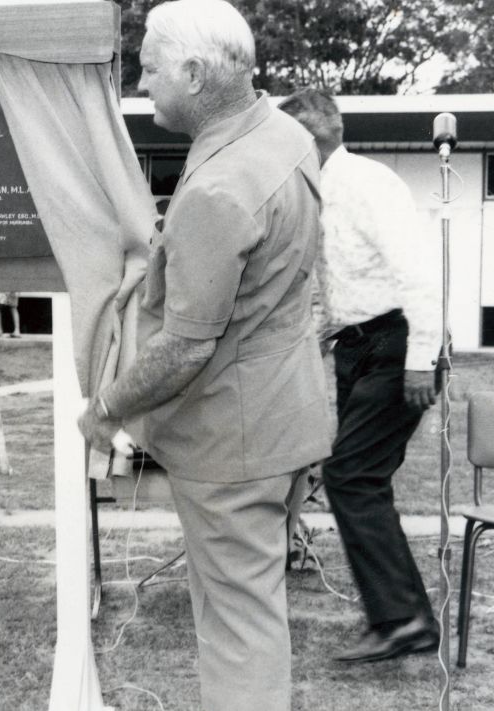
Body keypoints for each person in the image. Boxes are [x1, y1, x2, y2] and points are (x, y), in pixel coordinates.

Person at [78, 2, 332, 709]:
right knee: (255, 613)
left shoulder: (218, 189)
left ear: (193, 74)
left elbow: (187, 345)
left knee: (237, 632)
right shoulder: (284, 135)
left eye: (150, 66)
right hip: (283, 419)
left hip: (234, 442)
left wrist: (107, 408)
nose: (140, 79)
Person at [278, 88, 441, 663]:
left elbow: (419, 274)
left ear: (312, 138)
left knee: (349, 475)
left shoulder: (368, 183)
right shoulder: (316, 195)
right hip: (357, 346)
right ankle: (408, 620)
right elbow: (334, 286)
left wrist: (421, 357)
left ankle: (400, 620)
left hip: (395, 345)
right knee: (362, 479)